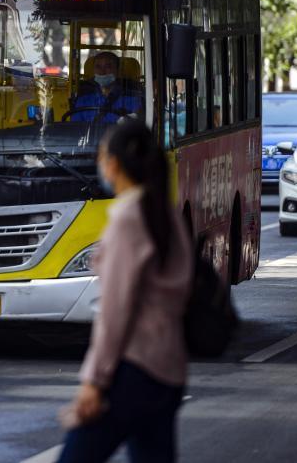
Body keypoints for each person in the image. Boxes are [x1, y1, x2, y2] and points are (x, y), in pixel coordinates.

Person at [58, 119, 193, 463]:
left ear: (114, 164)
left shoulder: (128, 219)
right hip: (169, 369)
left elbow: (115, 312)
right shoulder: (164, 213)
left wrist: (94, 381)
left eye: (101, 156)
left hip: (132, 371)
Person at [70, 52, 142, 123]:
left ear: (118, 70)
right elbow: (75, 128)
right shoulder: (84, 98)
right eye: (98, 67)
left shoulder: (132, 97)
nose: (102, 72)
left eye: (108, 66)